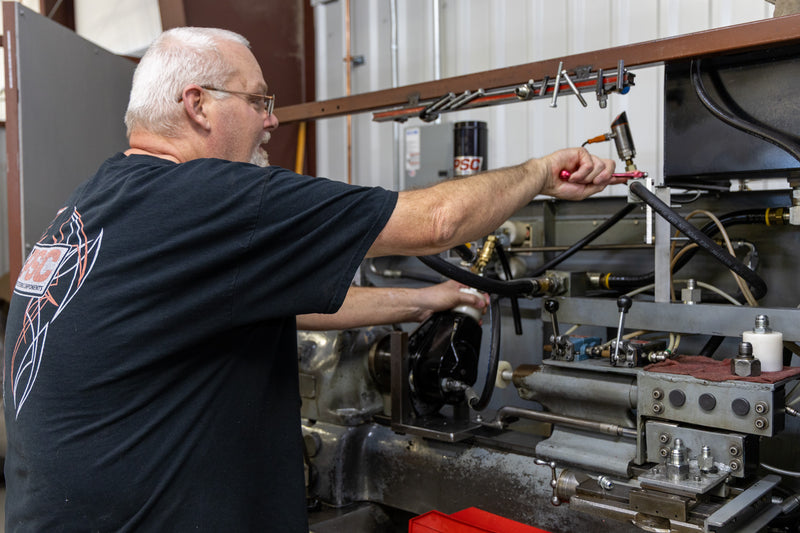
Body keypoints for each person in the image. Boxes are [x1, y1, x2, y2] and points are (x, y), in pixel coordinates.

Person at [2, 27, 621, 532]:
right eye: (258, 100)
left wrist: (419, 301)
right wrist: (541, 171)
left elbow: (275, 306)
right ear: (198, 104)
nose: (272, 122)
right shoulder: (212, 197)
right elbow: (438, 221)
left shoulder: (99, 200)